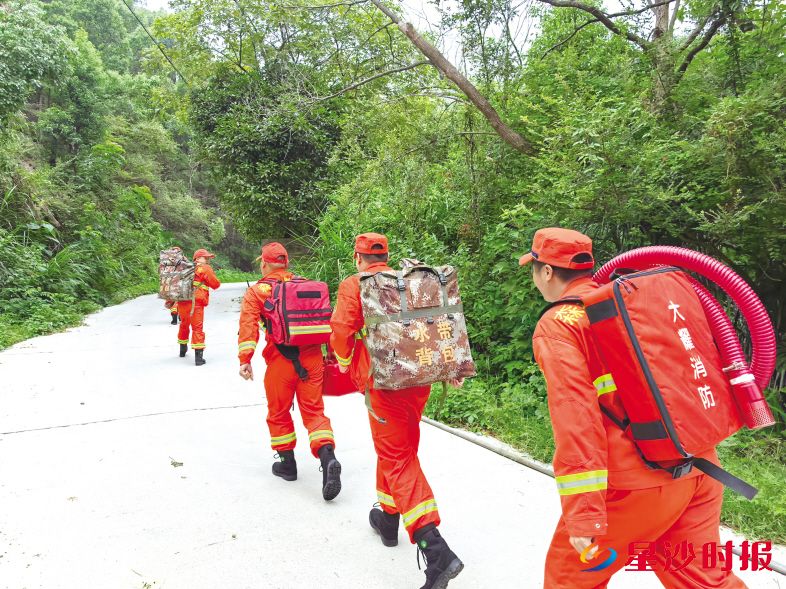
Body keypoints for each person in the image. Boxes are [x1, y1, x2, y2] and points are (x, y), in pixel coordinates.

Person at [522, 227, 746, 589]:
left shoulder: (560, 324)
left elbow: (576, 420)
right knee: (702, 579)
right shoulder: (632, 304)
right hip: (699, 468)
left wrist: (585, 515)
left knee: (570, 579)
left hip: (634, 486)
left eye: (533, 270)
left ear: (546, 271)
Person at [330, 232, 464, 589]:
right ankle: (387, 517)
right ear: (386, 255)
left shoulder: (355, 284)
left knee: (398, 457)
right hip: (418, 381)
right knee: (397, 449)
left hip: (383, 385)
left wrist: (346, 364)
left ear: (358, 257)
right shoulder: (407, 282)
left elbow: (341, 332)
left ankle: (435, 549)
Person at [237, 242, 341, 501]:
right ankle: (328, 456)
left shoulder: (258, 291)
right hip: (313, 359)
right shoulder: (305, 285)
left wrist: (245, 358)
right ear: (286, 262)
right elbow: (327, 319)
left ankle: (287, 464)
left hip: (280, 361)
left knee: (279, 412)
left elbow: (247, 326)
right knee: (315, 412)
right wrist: (331, 353)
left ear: (264, 262)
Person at [177, 248, 221, 366]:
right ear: (198, 258)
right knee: (197, 328)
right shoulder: (204, 268)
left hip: (182, 301)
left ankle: (182, 350)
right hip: (195, 303)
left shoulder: (185, 267)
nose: (207, 259)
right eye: (205, 257)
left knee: (184, 324)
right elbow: (215, 284)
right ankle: (198, 358)